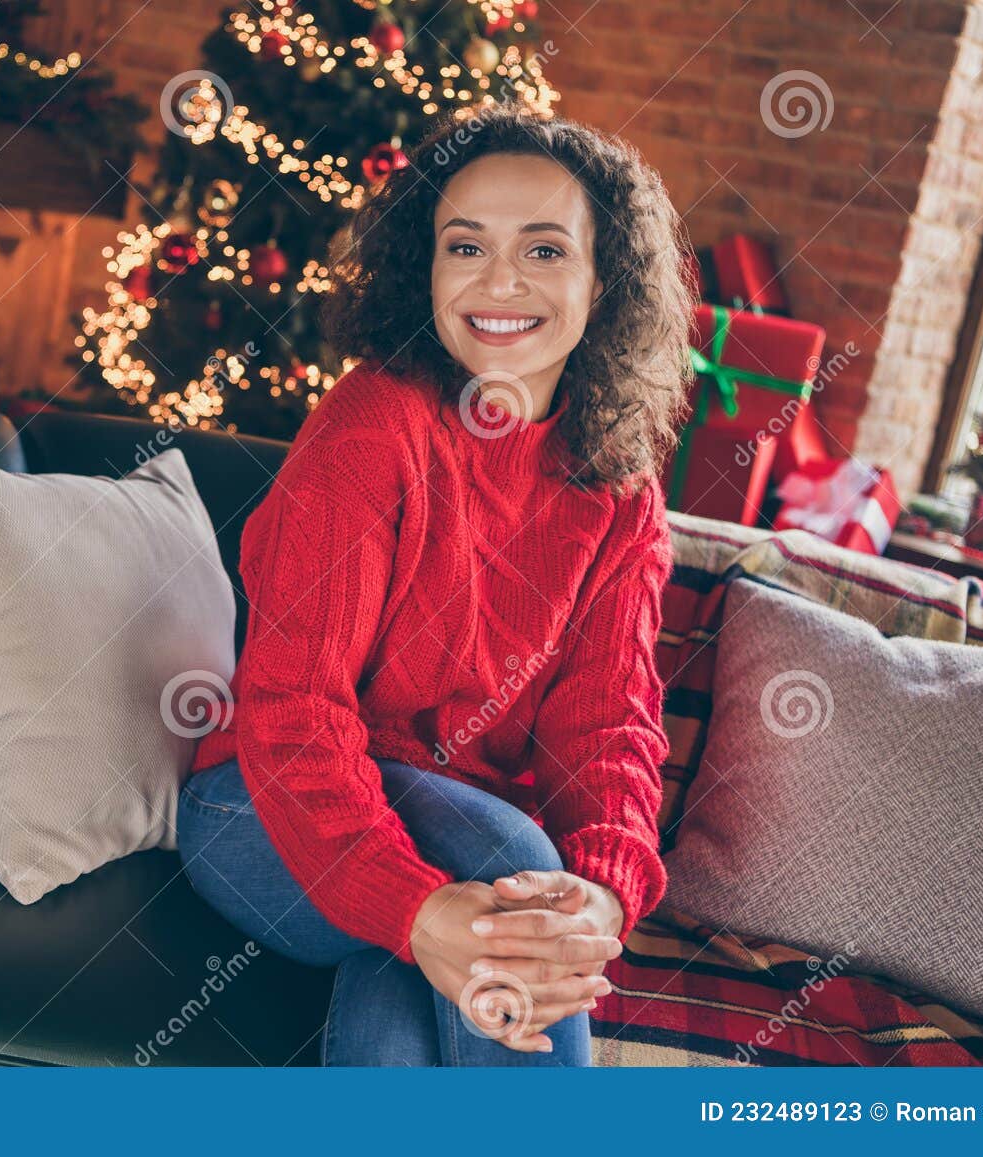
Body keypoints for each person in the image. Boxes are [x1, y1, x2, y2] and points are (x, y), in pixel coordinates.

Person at [176, 103, 694, 1066]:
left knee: (453, 958)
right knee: (507, 873)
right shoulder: (374, 427)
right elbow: (292, 709)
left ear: (604, 279)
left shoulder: (619, 487)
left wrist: (606, 890)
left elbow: (609, 727)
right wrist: (415, 902)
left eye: (544, 251)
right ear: (427, 267)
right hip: (260, 809)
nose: (500, 281)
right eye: (467, 246)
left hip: (453, 848)